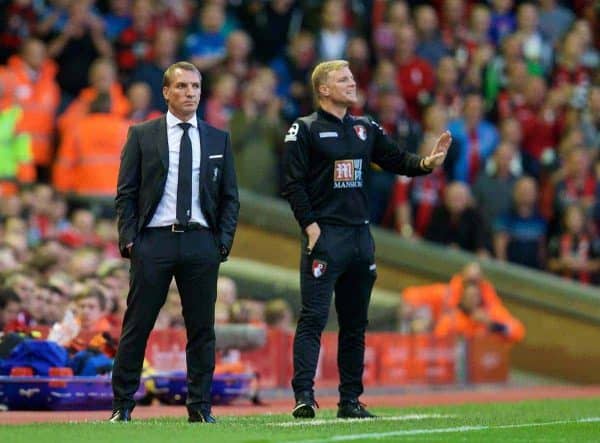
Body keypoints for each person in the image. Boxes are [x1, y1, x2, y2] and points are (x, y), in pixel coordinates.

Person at [281, 59, 451, 419]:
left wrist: (426, 164)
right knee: (313, 317)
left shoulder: (365, 127)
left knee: (355, 322)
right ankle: (304, 396)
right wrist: (310, 226)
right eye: (343, 79)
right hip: (325, 235)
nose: (352, 82)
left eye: (353, 77)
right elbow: (292, 183)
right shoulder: (304, 129)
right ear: (324, 89)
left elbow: (395, 160)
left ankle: (350, 400)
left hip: (360, 236)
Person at [110, 61, 239, 423]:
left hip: (201, 243)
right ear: (165, 92)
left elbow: (230, 198)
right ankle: (122, 405)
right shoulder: (141, 134)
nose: (190, 93)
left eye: (195, 87)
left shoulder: (219, 138)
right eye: (181, 87)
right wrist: (130, 240)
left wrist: (222, 243)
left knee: (202, 329)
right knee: (137, 325)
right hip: (153, 241)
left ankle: (200, 408)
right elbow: (126, 193)